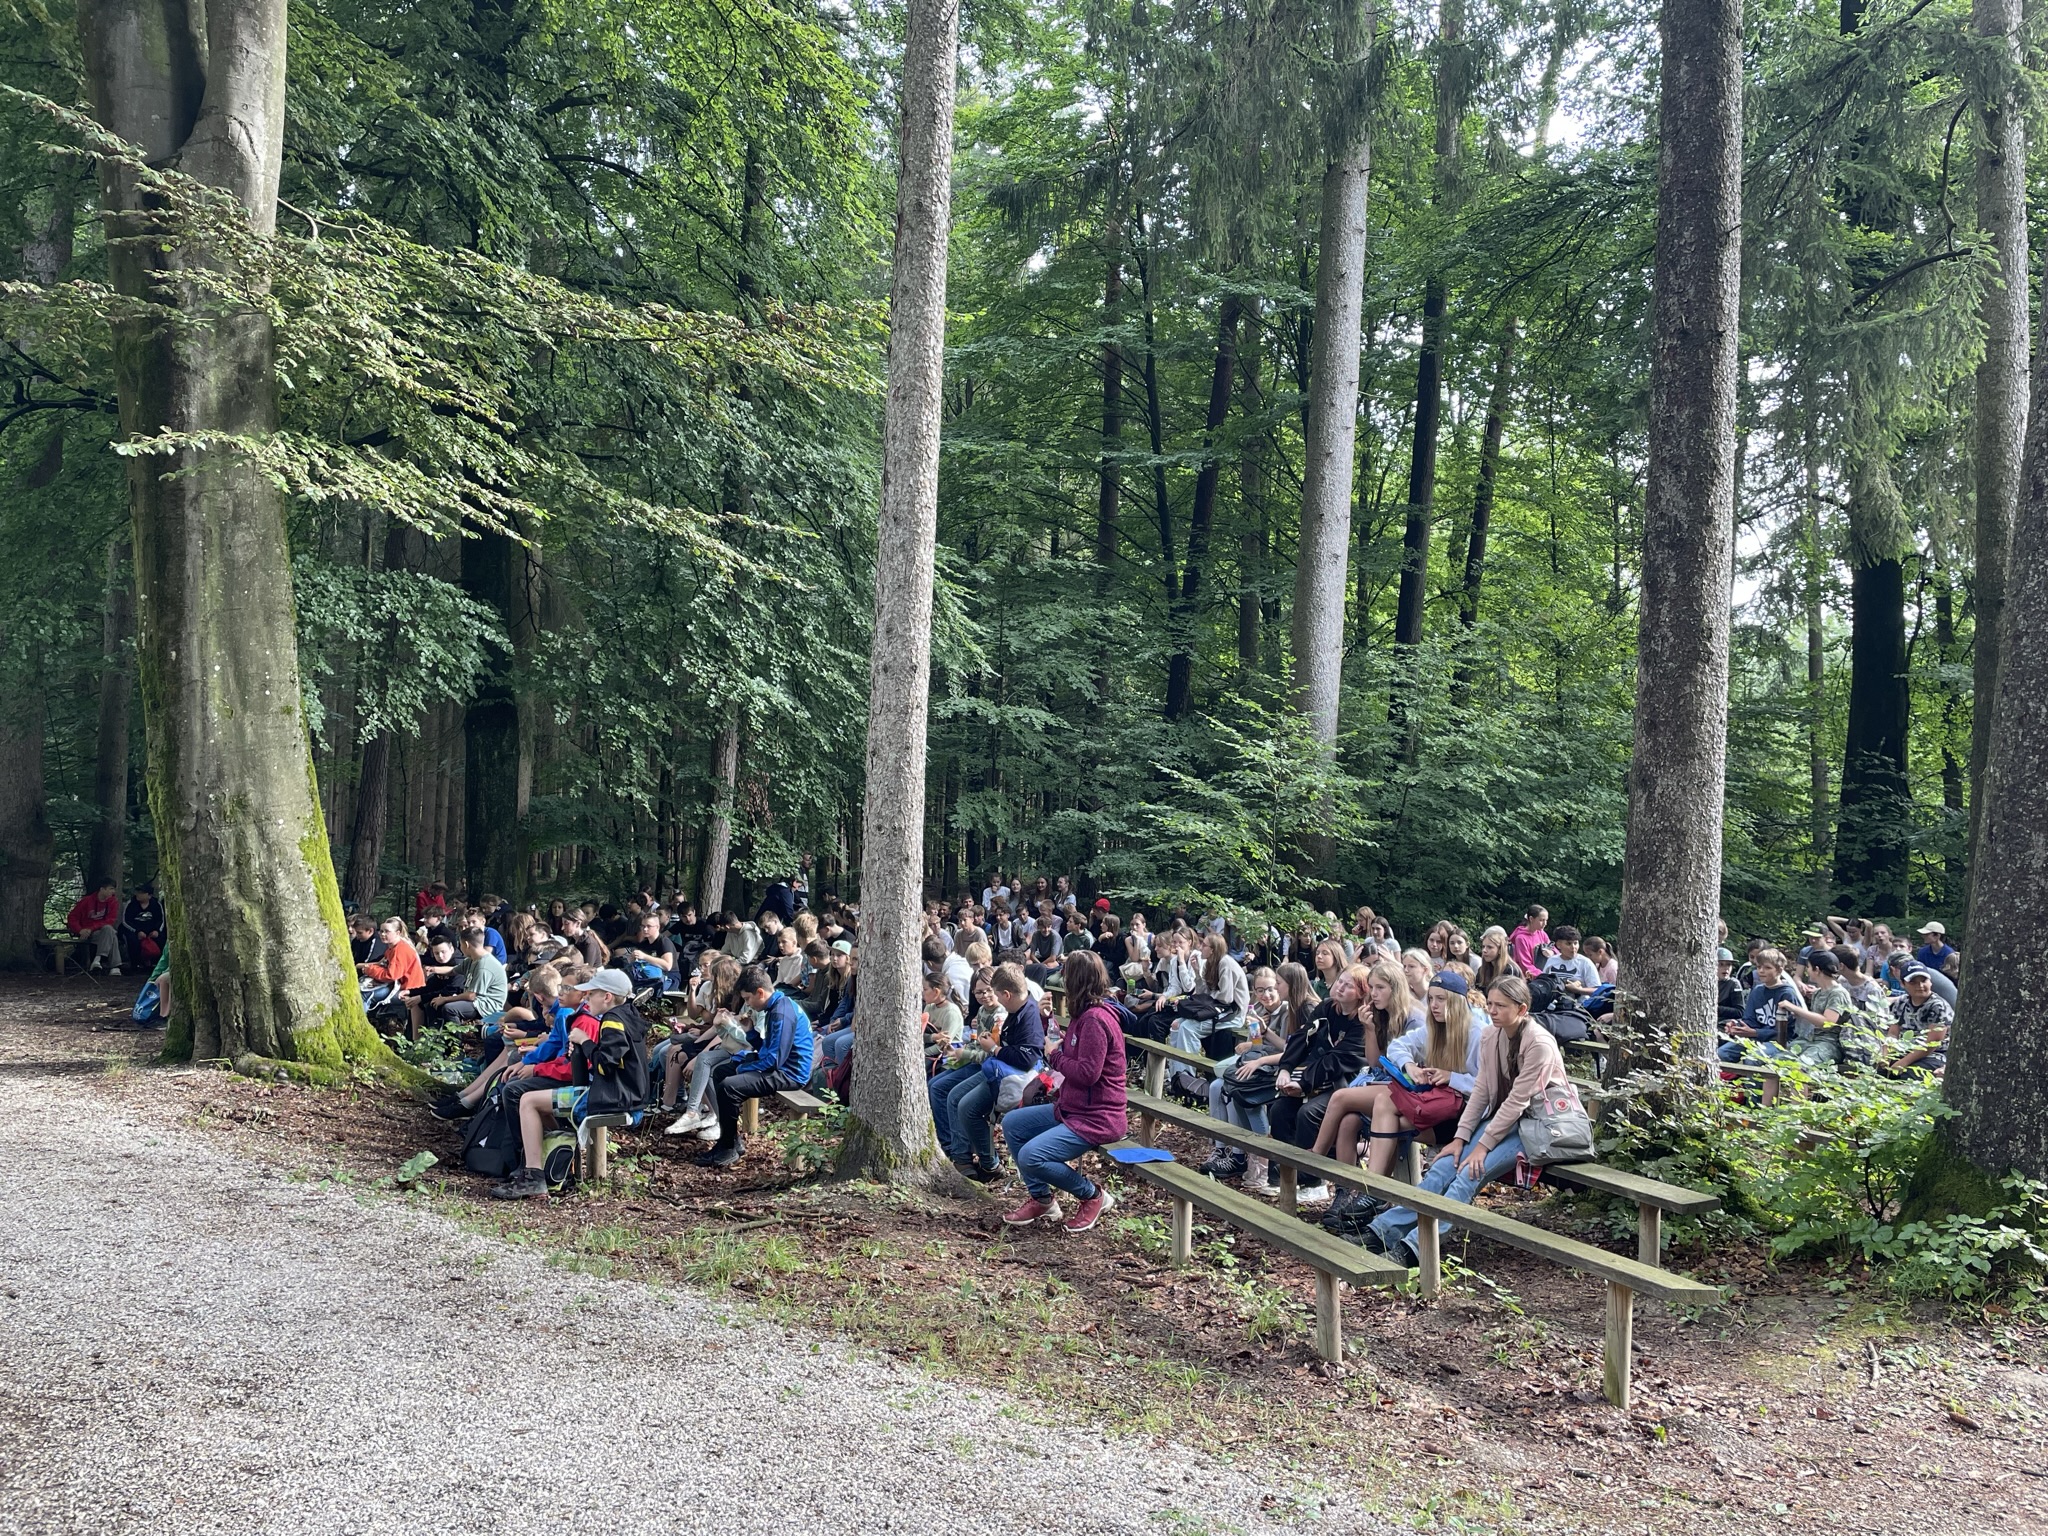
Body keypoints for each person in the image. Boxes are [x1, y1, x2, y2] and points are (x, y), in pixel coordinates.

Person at [1363, 973, 1569, 1268]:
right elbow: (1482, 1091)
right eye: (1490, 1004)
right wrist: (1459, 1139)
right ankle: (1382, 1231)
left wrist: (1481, 1146)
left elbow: (1517, 1103)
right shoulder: (1491, 1036)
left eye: (1500, 1006)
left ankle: (1416, 1249)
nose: (1492, 1011)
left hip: (1536, 1125)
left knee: (1470, 1173)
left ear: (1522, 1009)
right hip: (1502, 1120)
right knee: (1443, 1167)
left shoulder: (1539, 1044)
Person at [1321, 970, 1483, 1235]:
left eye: (1441, 999)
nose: (1434, 1005)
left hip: (1461, 1117)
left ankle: (1371, 1193)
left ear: (1457, 1001)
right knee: (1381, 1107)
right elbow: (1398, 1047)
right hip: (1430, 1107)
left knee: (1382, 1105)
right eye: (1431, 999)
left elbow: (1487, 1087)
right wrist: (1410, 1065)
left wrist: (1451, 1077)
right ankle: (1369, 1197)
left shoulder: (1477, 1033)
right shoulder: (1433, 1027)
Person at [490, 969, 650, 1199]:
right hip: (623, 1095)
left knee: (528, 1101)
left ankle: (534, 1177)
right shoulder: (625, 1015)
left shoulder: (612, 1021)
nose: (586, 998)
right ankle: (550, 1164)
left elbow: (605, 1066)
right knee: (532, 1101)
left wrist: (585, 1042)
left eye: (591, 994)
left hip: (614, 1098)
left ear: (607, 997)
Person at [999, 950, 1127, 1233]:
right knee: (1012, 1123)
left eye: (1065, 976)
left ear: (1076, 981)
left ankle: (1092, 1195)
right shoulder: (1084, 1016)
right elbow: (1067, 1049)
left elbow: (1087, 1073)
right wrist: (1046, 1021)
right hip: (1073, 1107)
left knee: (1031, 1155)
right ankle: (1042, 1200)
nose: (1061, 981)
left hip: (1097, 1116)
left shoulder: (1095, 1020)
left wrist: (1054, 1056)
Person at [1265, 964, 1370, 1206]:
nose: (1340, 987)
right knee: (1279, 1109)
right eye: (1340, 981)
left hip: (1346, 1085)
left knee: (1308, 1113)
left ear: (1361, 993)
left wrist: (1303, 1083)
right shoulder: (1326, 1008)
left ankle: (1314, 1182)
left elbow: (1338, 1061)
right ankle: (1283, 1176)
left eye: (1348, 985)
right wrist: (1285, 1069)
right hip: (1313, 1078)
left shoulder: (1361, 1023)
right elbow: (1302, 1038)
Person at [934, 964, 1045, 1180]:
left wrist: (994, 1048)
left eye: (996, 994)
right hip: (997, 1069)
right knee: (954, 1097)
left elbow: (1028, 1058)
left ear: (1007, 994)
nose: (995, 999)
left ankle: (989, 1164)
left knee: (966, 1107)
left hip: (1012, 1077)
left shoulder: (1028, 1014)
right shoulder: (1016, 1010)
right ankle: (963, 1157)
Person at [698, 965, 816, 1168]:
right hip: (780, 1067)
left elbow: (773, 1060)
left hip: (790, 1074)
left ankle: (728, 1148)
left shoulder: (781, 1013)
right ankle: (730, 1141)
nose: (747, 1004)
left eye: (747, 999)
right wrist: (751, 1032)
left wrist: (742, 1068)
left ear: (760, 992)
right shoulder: (775, 1007)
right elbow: (769, 1050)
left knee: (729, 1086)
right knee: (721, 1072)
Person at [1770, 948, 1851, 1067]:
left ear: (1816, 970)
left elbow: (1827, 1022)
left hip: (1830, 1044)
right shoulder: (1818, 992)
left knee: (1802, 1065)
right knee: (1775, 1062)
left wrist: (1796, 1009)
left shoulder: (1838, 993)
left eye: (1808, 967)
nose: (1807, 970)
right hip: (1810, 1040)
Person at [1718, 947, 1801, 1062]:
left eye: (1767, 968)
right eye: (1758, 967)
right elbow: (1749, 1020)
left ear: (1779, 970)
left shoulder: (1787, 993)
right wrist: (1736, 1025)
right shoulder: (1757, 990)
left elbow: (1788, 1031)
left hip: (1778, 1042)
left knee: (1752, 1059)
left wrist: (1756, 1033)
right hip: (1754, 1037)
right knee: (1721, 1053)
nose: (1761, 971)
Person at [1882, 968, 1952, 1076]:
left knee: (1908, 1075)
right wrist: (1886, 1055)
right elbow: (1893, 1033)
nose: (1920, 985)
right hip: (1905, 1049)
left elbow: (1932, 1043)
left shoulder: (1938, 1006)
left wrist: (1902, 1063)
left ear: (1930, 982)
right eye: (1913, 982)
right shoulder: (1901, 1002)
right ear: (1903, 984)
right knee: (1878, 1070)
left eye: (1924, 981)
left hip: (1934, 1054)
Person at [66, 880, 122, 973]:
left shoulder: (113, 902)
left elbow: (110, 920)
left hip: (102, 931)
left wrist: (92, 928)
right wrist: (80, 930)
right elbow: (72, 917)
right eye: (111, 889)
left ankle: (97, 959)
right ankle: (115, 967)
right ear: (102, 889)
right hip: (88, 933)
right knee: (112, 936)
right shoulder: (87, 901)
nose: (113, 892)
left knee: (108, 929)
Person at [1541, 926, 1599, 998]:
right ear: (1558, 944)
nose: (1573, 947)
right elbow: (1543, 983)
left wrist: (1578, 990)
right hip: (1552, 1002)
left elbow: (1597, 990)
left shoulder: (1585, 963)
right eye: (1568, 943)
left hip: (1579, 1003)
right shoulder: (1551, 960)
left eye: (1575, 943)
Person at [121, 886, 167, 969]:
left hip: (152, 929)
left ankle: (157, 963)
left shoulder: (156, 904)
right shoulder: (131, 903)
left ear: (149, 896)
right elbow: (126, 921)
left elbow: (161, 920)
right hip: (135, 930)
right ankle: (135, 964)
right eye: (138, 892)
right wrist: (137, 931)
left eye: (142, 893)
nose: (139, 895)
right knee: (132, 940)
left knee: (162, 938)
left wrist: (157, 931)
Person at [1508, 906, 1550, 978]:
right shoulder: (1521, 938)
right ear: (1531, 919)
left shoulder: (1542, 933)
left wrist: (1551, 953)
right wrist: (1544, 976)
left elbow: (1554, 950)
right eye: (1541, 920)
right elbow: (1525, 965)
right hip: (1526, 978)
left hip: (1543, 974)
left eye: (1546, 920)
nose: (1545, 923)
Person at [1473, 926, 1513, 994]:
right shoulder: (1481, 970)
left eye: (1489, 947)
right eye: (1483, 946)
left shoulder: (1509, 969)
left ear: (1500, 949)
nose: (1484, 950)